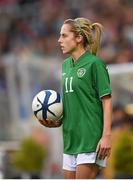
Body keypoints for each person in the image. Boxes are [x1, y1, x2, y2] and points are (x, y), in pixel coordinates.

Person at [39, 17, 112, 179]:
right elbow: (72, 103)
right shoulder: (65, 66)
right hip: (70, 139)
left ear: (78, 38)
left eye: (64, 36)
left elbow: (106, 101)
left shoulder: (95, 64)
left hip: (90, 139)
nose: (59, 40)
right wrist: (57, 121)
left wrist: (106, 136)